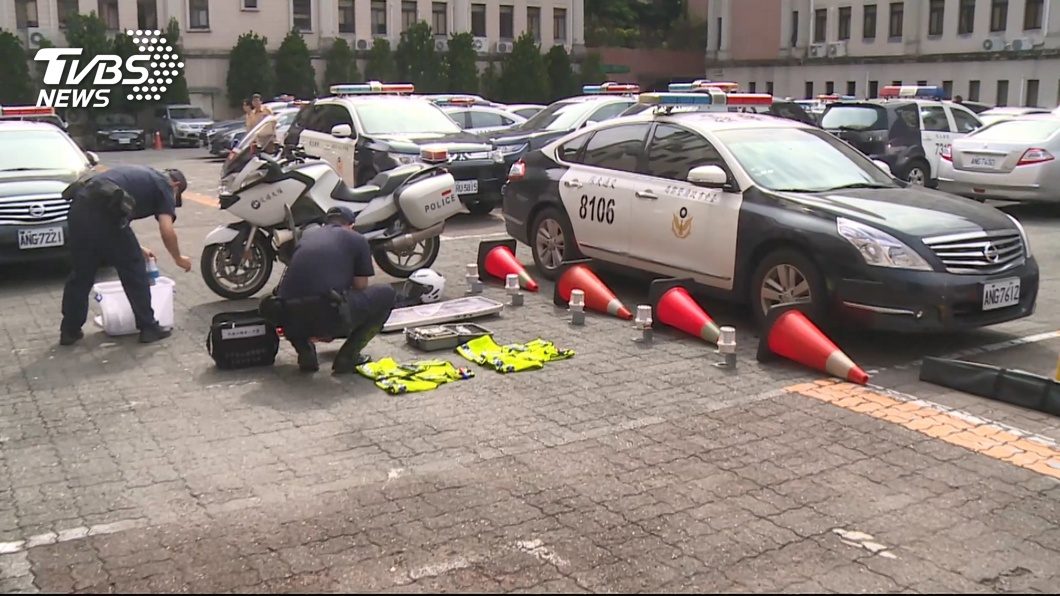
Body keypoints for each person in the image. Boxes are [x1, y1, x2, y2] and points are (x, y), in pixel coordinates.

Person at [59, 165, 192, 345]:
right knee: (133, 269)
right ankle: (148, 327)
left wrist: (139, 247)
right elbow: (166, 228)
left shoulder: (143, 175)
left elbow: (119, 212)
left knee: (82, 272)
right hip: (103, 213)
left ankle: (70, 330)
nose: (173, 199)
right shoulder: (164, 186)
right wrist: (178, 258)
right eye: (176, 195)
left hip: (79, 208)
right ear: (176, 184)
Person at [276, 206, 396, 374]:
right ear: (351, 225)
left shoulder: (307, 238)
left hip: (289, 318)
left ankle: (305, 351)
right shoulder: (357, 239)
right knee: (386, 294)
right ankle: (348, 357)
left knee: (298, 297)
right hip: (328, 315)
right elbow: (361, 286)